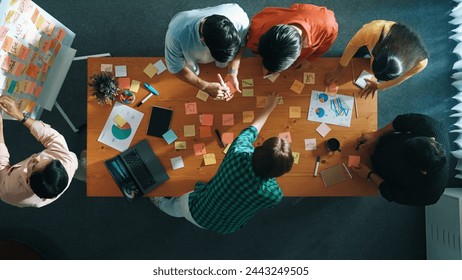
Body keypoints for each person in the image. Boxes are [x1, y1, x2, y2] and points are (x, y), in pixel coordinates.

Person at [151, 92, 294, 234]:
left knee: (175, 207)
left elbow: (252, 129)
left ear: (258, 149)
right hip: (227, 227)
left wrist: (269, 107)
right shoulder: (274, 195)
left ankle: (159, 202)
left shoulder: (238, 153)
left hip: (197, 211)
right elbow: (269, 194)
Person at [351, 113, 449, 206]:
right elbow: (402, 121)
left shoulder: (428, 194)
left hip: (382, 172)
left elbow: (391, 192)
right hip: (387, 142)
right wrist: (376, 134)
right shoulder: (430, 127)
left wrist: (369, 174)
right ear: (431, 139)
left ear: (423, 171)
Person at [0, 96, 78, 208]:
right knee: (79, 167)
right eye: (46, 159)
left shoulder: (11, 191)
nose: (36, 157)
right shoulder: (65, 160)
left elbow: (1, 166)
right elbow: (49, 136)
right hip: (73, 165)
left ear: (28, 179)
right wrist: (19, 115)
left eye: (34, 165)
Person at [164, 3, 249, 100]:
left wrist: (233, 72)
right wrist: (205, 86)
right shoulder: (175, 37)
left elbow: (242, 44)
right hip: (181, 24)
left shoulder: (241, 19)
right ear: (203, 41)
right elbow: (175, 68)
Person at [325, 20, 428, 99]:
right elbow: (353, 45)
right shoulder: (372, 31)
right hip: (373, 40)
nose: (373, 74)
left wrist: (379, 86)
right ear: (377, 52)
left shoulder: (420, 63)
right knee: (356, 52)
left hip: (381, 47)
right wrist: (340, 68)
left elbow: (401, 79)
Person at [246, 3, 338, 76]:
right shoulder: (255, 30)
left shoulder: (328, 26)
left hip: (309, 15)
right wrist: (268, 65)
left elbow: (325, 43)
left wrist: (309, 59)